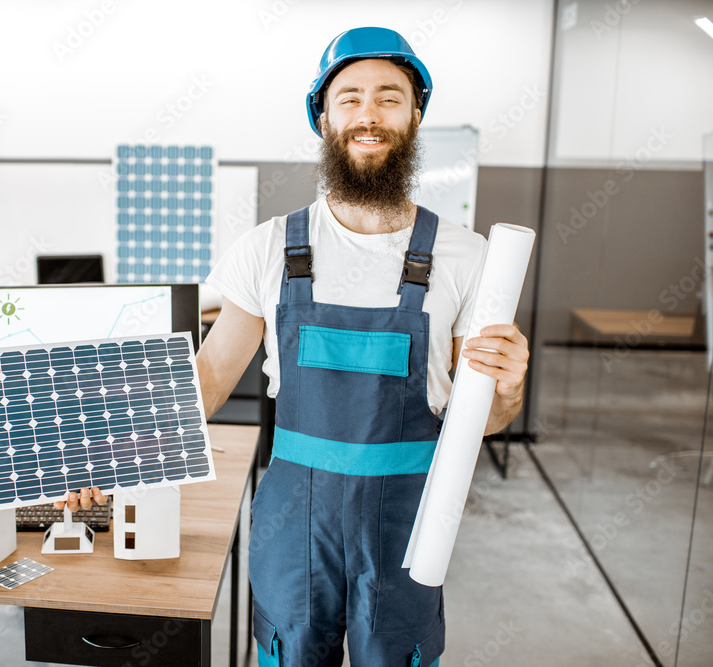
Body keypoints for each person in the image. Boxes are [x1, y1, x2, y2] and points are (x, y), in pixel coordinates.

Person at [196, 27, 529, 667]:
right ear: (324, 117)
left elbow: (482, 419)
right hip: (294, 521)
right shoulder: (267, 248)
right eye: (348, 98)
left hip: (408, 525)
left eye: (388, 97)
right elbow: (208, 381)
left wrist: (507, 387)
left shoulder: (470, 257)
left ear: (415, 115)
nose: (367, 115)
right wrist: (106, 465)